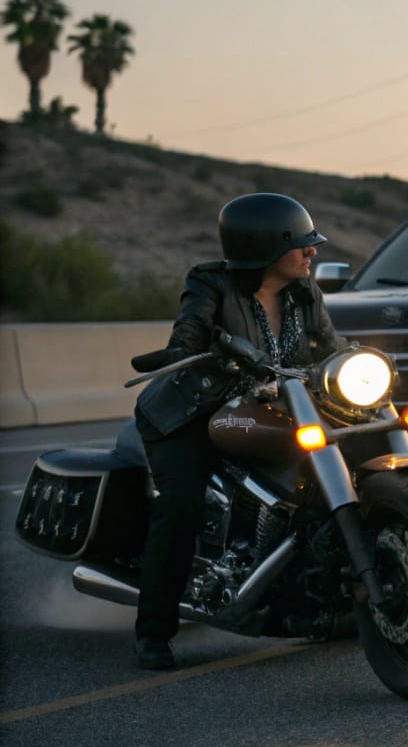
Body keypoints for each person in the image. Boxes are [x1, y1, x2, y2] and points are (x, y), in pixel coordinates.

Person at [131, 193, 342, 670]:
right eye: (301, 244)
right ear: (267, 247)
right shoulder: (210, 283)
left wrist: (358, 361)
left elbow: (328, 347)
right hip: (193, 411)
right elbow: (191, 328)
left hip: (267, 407)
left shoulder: (304, 293)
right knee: (180, 507)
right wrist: (183, 350)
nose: (311, 251)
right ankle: (153, 632)